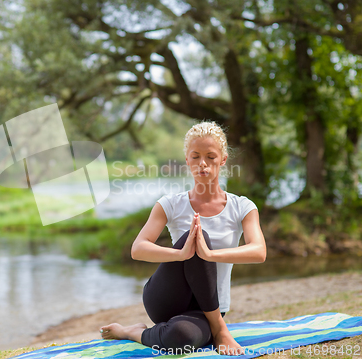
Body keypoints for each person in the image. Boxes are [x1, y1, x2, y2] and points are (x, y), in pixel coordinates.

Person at [99, 121, 267, 356]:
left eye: (210, 156)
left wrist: (209, 255)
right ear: (187, 160)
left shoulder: (242, 207)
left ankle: (133, 332)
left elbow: (259, 251)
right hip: (167, 298)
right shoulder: (170, 204)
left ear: (223, 160)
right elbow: (138, 249)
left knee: (182, 339)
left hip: (209, 308)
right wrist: (181, 254)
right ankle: (220, 330)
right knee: (197, 236)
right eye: (196, 156)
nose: (203, 164)